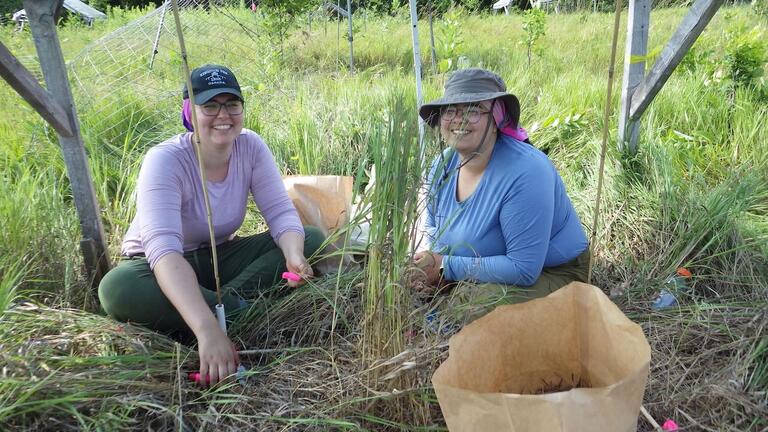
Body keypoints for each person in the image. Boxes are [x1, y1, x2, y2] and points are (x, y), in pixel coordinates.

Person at [98, 65, 324, 385]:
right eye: (210, 106)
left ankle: (222, 310)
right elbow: (164, 252)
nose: (223, 115)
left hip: (218, 258)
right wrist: (208, 329)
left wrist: (294, 254)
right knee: (117, 289)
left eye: (232, 104)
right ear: (190, 112)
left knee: (312, 239)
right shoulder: (164, 159)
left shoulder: (251, 146)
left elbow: (280, 213)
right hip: (156, 268)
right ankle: (235, 314)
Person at [414, 68, 589, 321]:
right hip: (478, 264)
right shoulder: (441, 165)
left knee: (471, 309)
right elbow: (432, 227)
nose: (459, 120)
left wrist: (445, 266)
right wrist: (429, 264)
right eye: (450, 110)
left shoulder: (526, 172)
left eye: (473, 111)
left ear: (497, 119)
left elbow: (524, 268)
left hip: (551, 272)